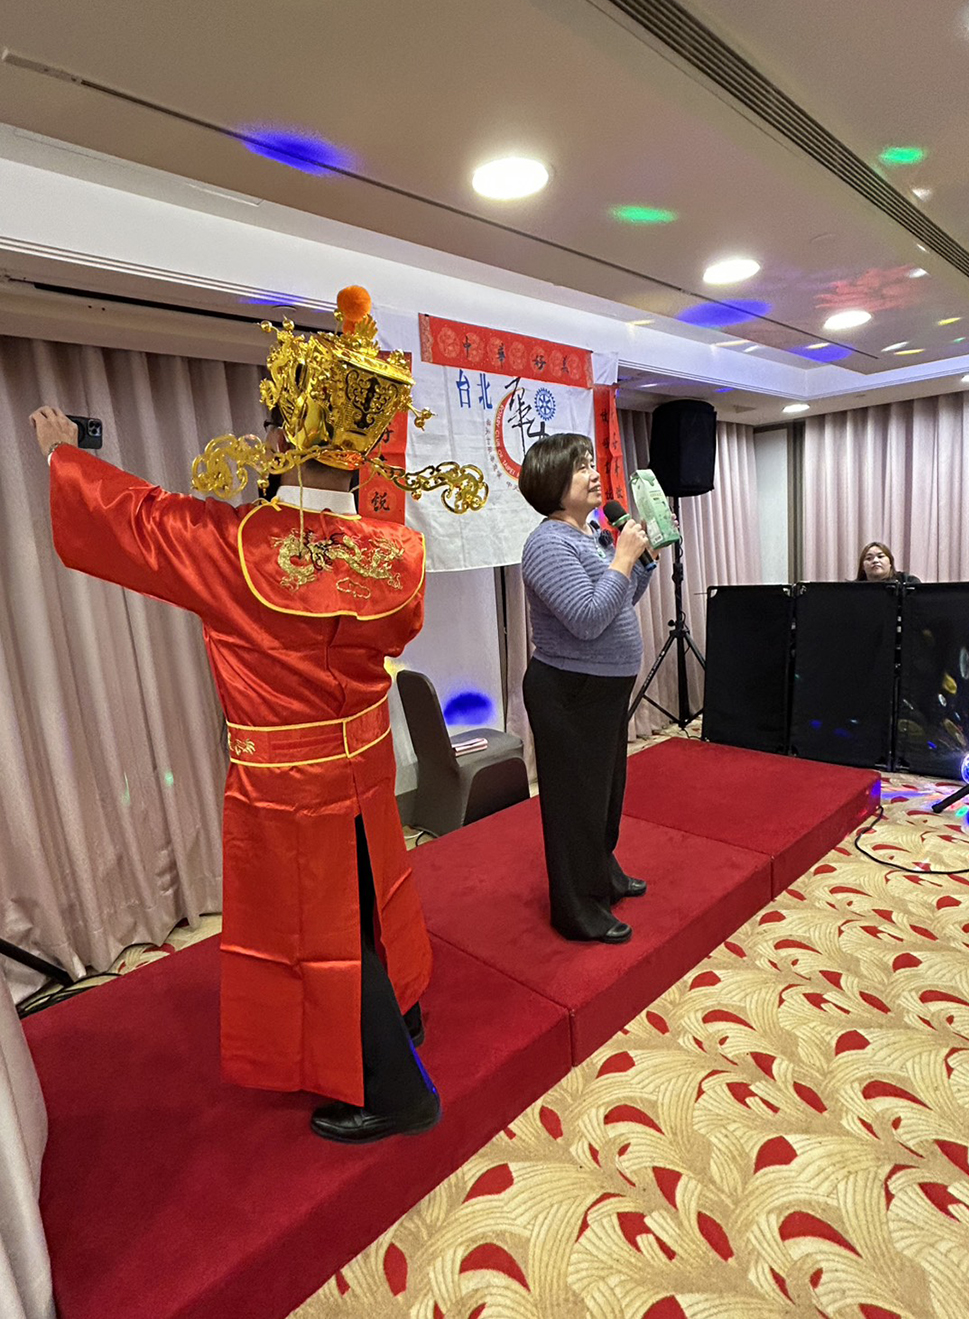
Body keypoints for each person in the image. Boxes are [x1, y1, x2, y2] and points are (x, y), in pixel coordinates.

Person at [30, 289, 487, 1144]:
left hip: (288, 779)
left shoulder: (236, 547)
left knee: (319, 924)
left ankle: (398, 1092)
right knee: (370, 891)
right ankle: (401, 1014)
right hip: (364, 755)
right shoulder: (398, 554)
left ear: (281, 440)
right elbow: (392, 632)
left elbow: (137, 519)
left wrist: (66, 457)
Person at [519, 434, 654, 945]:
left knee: (604, 796)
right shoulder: (547, 544)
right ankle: (577, 910)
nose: (595, 473)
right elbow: (587, 618)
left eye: (593, 463)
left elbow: (618, 601)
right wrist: (621, 559)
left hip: (602, 690)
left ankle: (604, 876)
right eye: (581, 467)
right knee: (575, 805)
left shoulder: (589, 534)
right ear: (554, 482)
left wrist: (639, 562)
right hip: (568, 691)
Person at [855, 541, 920, 584]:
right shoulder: (853, 589)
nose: (875, 561)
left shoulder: (908, 581)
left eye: (880, 556)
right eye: (869, 558)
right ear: (863, 566)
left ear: (890, 563)